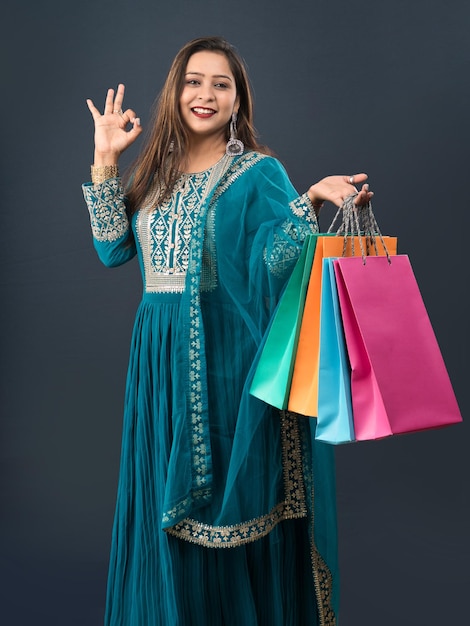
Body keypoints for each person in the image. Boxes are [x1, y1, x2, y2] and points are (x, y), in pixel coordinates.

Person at [82, 36, 373, 626]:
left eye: (221, 84)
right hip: (157, 365)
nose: (206, 94)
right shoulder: (156, 171)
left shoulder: (257, 172)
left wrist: (308, 200)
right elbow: (112, 248)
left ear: (238, 101)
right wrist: (105, 157)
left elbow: (273, 264)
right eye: (195, 81)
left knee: (214, 514)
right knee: (159, 512)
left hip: (220, 368)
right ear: (176, 91)